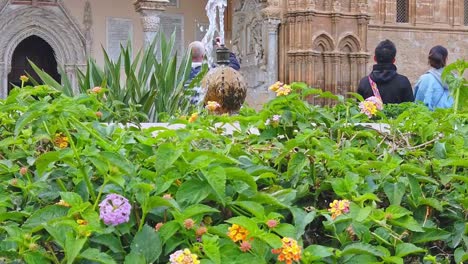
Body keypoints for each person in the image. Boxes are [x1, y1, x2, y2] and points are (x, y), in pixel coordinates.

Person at [357, 39, 414, 104]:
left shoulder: (364, 82)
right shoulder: (403, 82)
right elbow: (410, 108)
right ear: (393, 60)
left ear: (375, 58)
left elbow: (359, 108)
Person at [187, 38, 240, 104]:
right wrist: (222, 48)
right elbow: (234, 68)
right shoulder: (212, 71)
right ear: (203, 56)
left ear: (188, 56)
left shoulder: (181, 75)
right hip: (208, 110)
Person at [414, 45, 453, 110]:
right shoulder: (455, 80)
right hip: (449, 118)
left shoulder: (425, 79)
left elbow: (418, 103)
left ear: (430, 60)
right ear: (446, 59)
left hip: (428, 118)